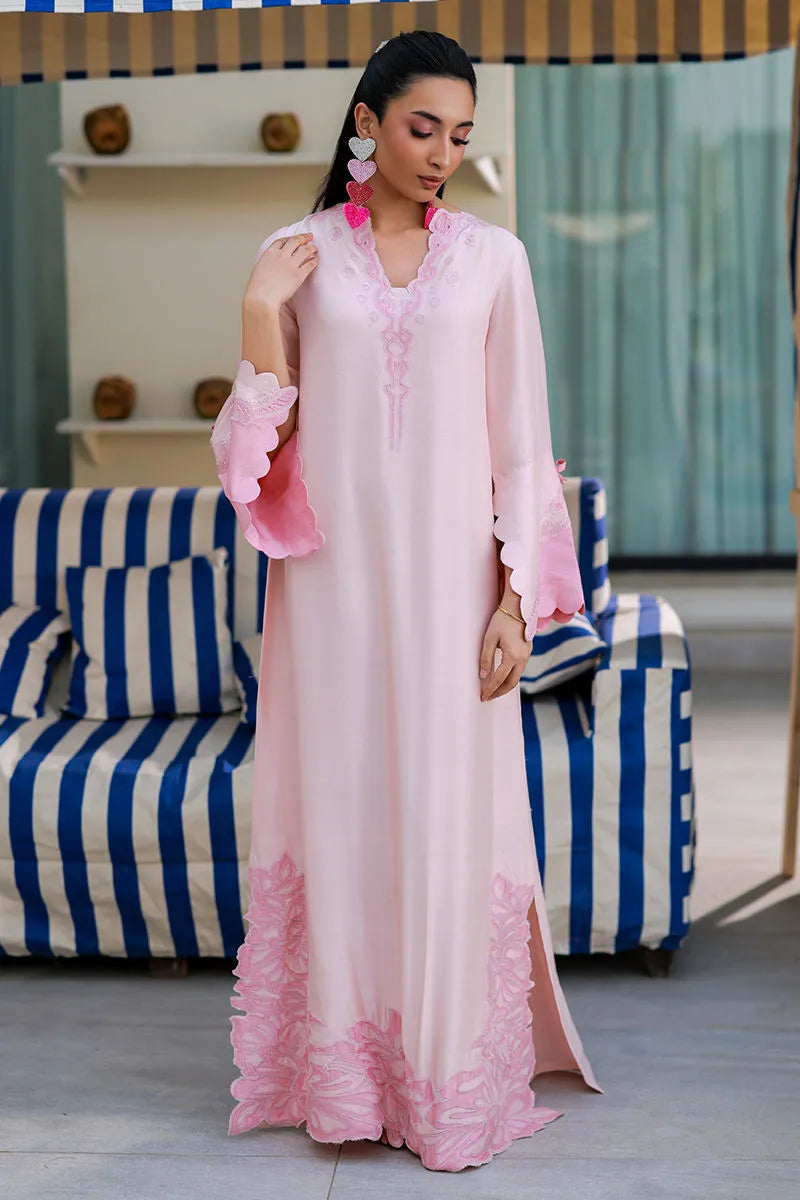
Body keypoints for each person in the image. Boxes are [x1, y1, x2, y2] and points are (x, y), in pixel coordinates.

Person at [210, 29, 601, 1174]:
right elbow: (248, 462)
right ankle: (344, 1085)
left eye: (458, 135)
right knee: (338, 815)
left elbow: (522, 446)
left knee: (443, 818)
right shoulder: (293, 258)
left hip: (451, 592)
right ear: (367, 122)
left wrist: (514, 602)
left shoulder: (493, 260)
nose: (440, 153)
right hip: (326, 593)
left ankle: (441, 1086)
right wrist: (257, 314)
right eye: (422, 127)